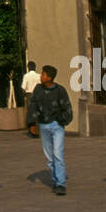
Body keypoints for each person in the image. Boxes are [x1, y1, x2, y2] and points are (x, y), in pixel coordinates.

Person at [27, 64, 72, 195]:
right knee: (49, 156)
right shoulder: (38, 90)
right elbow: (32, 106)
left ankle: (61, 183)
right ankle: (55, 178)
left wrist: (62, 120)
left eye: (43, 74)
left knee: (58, 154)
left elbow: (67, 107)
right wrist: (31, 123)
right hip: (43, 126)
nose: (41, 76)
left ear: (50, 77)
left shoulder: (60, 91)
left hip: (57, 126)